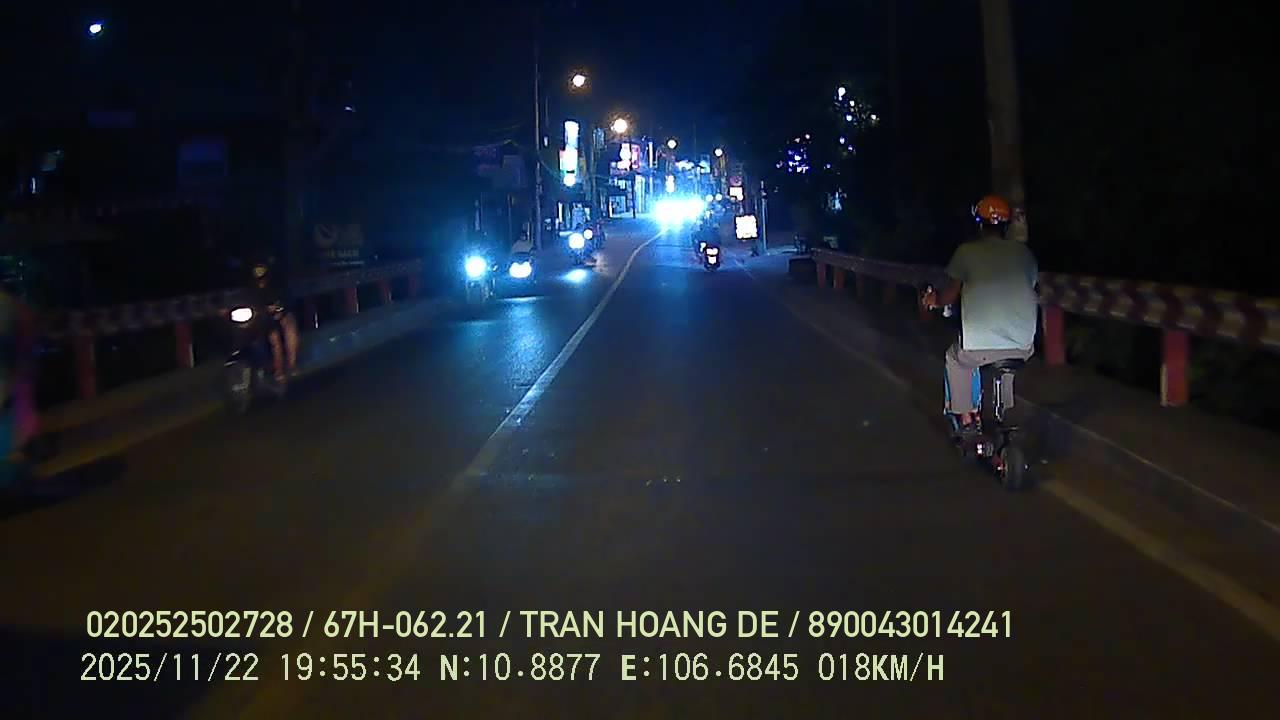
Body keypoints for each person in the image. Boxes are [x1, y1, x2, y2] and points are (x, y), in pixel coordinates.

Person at [922, 195, 1038, 436]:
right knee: (1007, 359)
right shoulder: (1025, 254)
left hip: (978, 347)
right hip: (1024, 345)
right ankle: (1005, 409)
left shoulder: (966, 252)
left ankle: (966, 419)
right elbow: (1030, 285)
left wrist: (934, 300)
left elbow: (949, 294)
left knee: (956, 359)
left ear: (979, 224)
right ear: (1006, 225)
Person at [248, 262, 299, 384]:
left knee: (290, 328)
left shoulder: (277, 283)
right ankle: (278, 371)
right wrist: (264, 311)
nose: (261, 281)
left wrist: (280, 309)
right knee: (274, 339)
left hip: (280, 313)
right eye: (258, 278)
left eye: (263, 277)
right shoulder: (251, 288)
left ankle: (292, 365)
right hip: (262, 319)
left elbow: (286, 300)